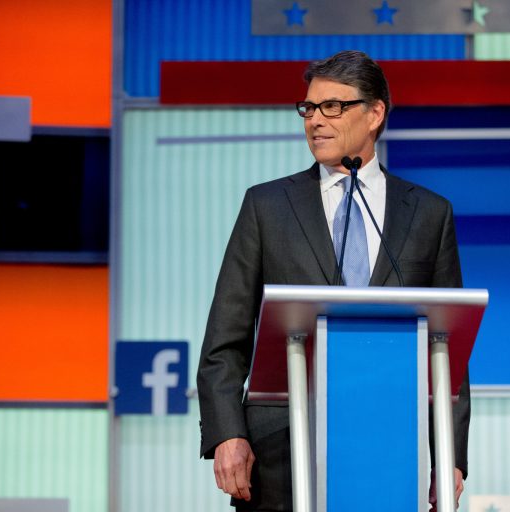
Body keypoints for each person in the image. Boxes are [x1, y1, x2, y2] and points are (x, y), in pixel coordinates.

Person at [197, 50, 470, 511]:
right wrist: (227, 433)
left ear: (375, 113)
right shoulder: (268, 207)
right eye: (308, 108)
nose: (314, 121)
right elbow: (226, 337)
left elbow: (450, 351)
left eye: (333, 107)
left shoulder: (428, 214)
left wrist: (449, 456)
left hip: (388, 448)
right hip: (280, 450)